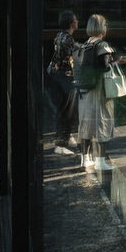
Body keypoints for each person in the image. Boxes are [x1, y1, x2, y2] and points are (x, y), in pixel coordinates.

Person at [77, 14, 126, 171]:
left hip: (86, 90)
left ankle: (85, 159)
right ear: (101, 28)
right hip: (100, 91)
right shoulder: (102, 45)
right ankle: (100, 161)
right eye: (105, 25)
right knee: (102, 122)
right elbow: (104, 66)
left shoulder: (86, 44)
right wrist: (117, 61)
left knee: (86, 124)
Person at [48, 10, 79, 155]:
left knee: (65, 108)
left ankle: (66, 136)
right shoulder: (68, 39)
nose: (77, 22)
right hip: (65, 78)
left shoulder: (59, 36)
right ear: (72, 23)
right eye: (76, 20)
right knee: (66, 109)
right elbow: (71, 59)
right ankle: (60, 143)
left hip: (57, 76)